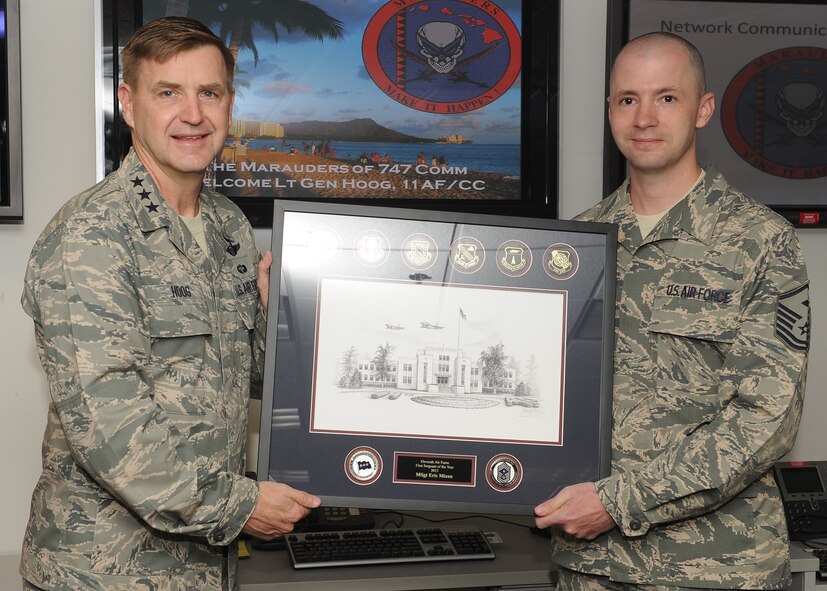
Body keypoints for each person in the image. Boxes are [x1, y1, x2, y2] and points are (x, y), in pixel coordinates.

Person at [20, 17, 320, 591]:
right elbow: (109, 428)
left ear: (230, 104)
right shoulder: (92, 236)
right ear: (129, 105)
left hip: (207, 570)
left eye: (209, 93)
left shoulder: (229, 226)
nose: (193, 114)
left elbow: (248, 381)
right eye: (168, 93)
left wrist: (276, 323)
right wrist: (240, 506)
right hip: (104, 575)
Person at [534, 32, 810, 590]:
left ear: (703, 109)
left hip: (719, 570)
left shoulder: (760, 241)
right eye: (627, 99)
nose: (644, 118)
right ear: (610, 110)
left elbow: (766, 421)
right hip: (591, 566)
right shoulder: (575, 247)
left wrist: (618, 502)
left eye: (667, 97)